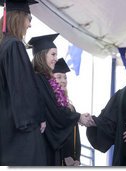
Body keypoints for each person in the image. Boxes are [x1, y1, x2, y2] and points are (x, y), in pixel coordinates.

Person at [28, 33, 87, 166]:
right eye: (53, 54)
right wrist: (78, 117)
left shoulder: (42, 79)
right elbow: (53, 112)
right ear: (43, 55)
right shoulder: (37, 79)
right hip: (41, 145)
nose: (55, 58)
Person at [0, 0, 47, 166]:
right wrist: (37, 118)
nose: (29, 25)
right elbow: (22, 88)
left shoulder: (3, 45)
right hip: (21, 131)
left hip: (7, 127)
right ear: (19, 18)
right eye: (29, 19)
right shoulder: (14, 45)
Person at [52, 58, 81, 166]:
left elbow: (76, 136)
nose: (63, 80)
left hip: (71, 161)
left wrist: (77, 157)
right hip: (57, 158)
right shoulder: (51, 105)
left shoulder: (71, 108)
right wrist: (65, 156)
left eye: (65, 77)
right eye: (59, 77)